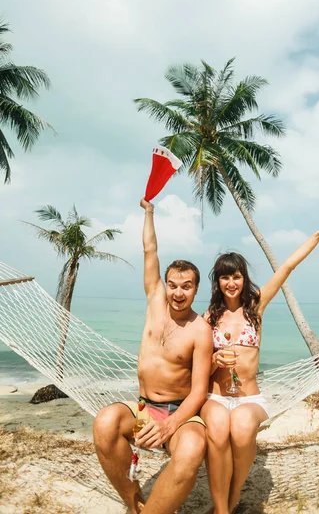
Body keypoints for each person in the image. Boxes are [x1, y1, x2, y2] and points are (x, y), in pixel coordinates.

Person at [201, 229, 319, 514]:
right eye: (225, 277)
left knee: (243, 428)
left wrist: (317, 237)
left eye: (236, 276)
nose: (231, 283)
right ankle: (220, 509)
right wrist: (215, 361)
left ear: (244, 278)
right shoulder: (209, 317)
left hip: (249, 397)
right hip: (216, 396)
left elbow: (286, 267)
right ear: (218, 281)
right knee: (219, 430)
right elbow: (199, 366)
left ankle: (233, 495)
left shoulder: (255, 307)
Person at [93, 198, 213, 514]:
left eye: (186, 287)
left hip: (180, 412)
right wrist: (149, 214)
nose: (178, 292)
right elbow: (150, 252)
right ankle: (134, 504)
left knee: (191, 451)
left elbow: (199, 391)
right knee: (105, 423)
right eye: (173, 284)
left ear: (196, 289)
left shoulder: (201, 330)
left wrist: (170, 425)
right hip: (144, 408)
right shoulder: (155, 300)